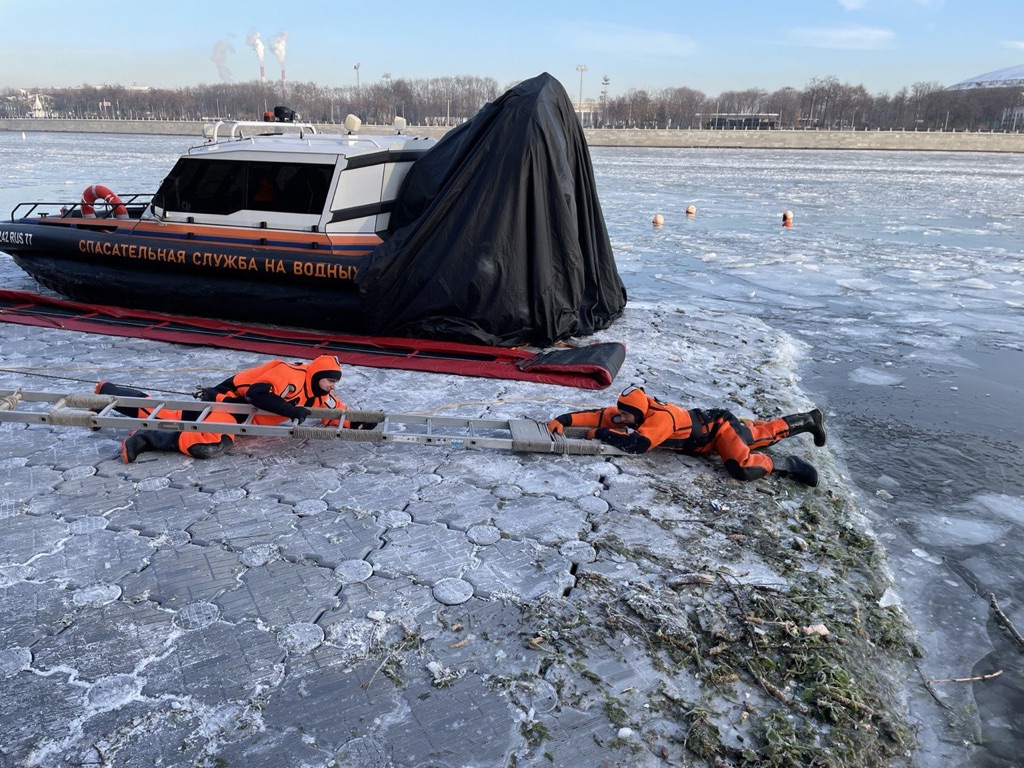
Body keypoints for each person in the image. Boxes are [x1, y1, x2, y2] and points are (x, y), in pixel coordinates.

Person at [98, 355, 369, 463]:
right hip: (228, 404)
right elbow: (257, 394)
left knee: (167, 414)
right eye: (330, 380)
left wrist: (360, 424)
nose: (333, 386)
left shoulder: (319, 393)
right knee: (209, 443)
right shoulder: (290, 375)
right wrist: (289, 410)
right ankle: (145, 439)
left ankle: (106, 392)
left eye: (335, 382)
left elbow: (337, 414)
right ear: (318, 373)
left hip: (244, 416)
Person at [547, 386, 825, 486]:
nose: (622, 420)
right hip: (704, 435)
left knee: (742, 466)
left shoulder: (660, 420)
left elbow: (635, 446)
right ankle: (810, 419)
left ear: (639, 413)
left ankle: (788, 464)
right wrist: (564, 420)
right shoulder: (634, 411)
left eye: (626, 416)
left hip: (717, 429)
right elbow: (599, 415)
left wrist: (600, 433)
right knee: (756, 434)